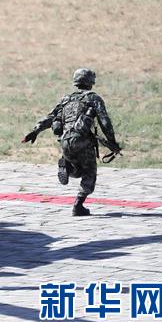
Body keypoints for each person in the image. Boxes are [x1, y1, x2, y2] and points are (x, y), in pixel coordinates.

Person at [21, 68, 121, 216]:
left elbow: (50, 117)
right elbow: (104, 121)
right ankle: (78, 205)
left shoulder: (66, 99)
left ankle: (67, 166)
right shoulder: (93, 98)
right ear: (91, 82)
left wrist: (35, 131)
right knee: (89, 173)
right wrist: (112, 142)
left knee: (78, 169)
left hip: (65, 142)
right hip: (83, 142)